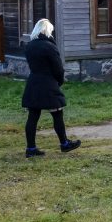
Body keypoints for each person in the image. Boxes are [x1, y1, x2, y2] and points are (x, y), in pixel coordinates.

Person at [21, 19, 81, 157]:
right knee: (57, 114)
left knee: (33, 116)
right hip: (48, 84)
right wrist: (59, 81)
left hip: (34, 82)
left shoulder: (30, 46)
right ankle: (64, 144)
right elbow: (58, 69)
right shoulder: (49, 46)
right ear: (48, 31)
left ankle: (30, 149)